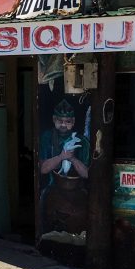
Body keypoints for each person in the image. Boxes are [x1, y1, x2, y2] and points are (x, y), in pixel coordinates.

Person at [39, 98, 90, 233]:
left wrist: (72, 158)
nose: (63, 125)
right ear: (54, 119)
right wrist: (61, 157)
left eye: (67, 122)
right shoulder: (47, 137)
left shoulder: (82, 141)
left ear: (73, 122)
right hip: (52, 187)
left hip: (77, 190)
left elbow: (86, 174)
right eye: (59, 121)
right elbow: (43, 169)